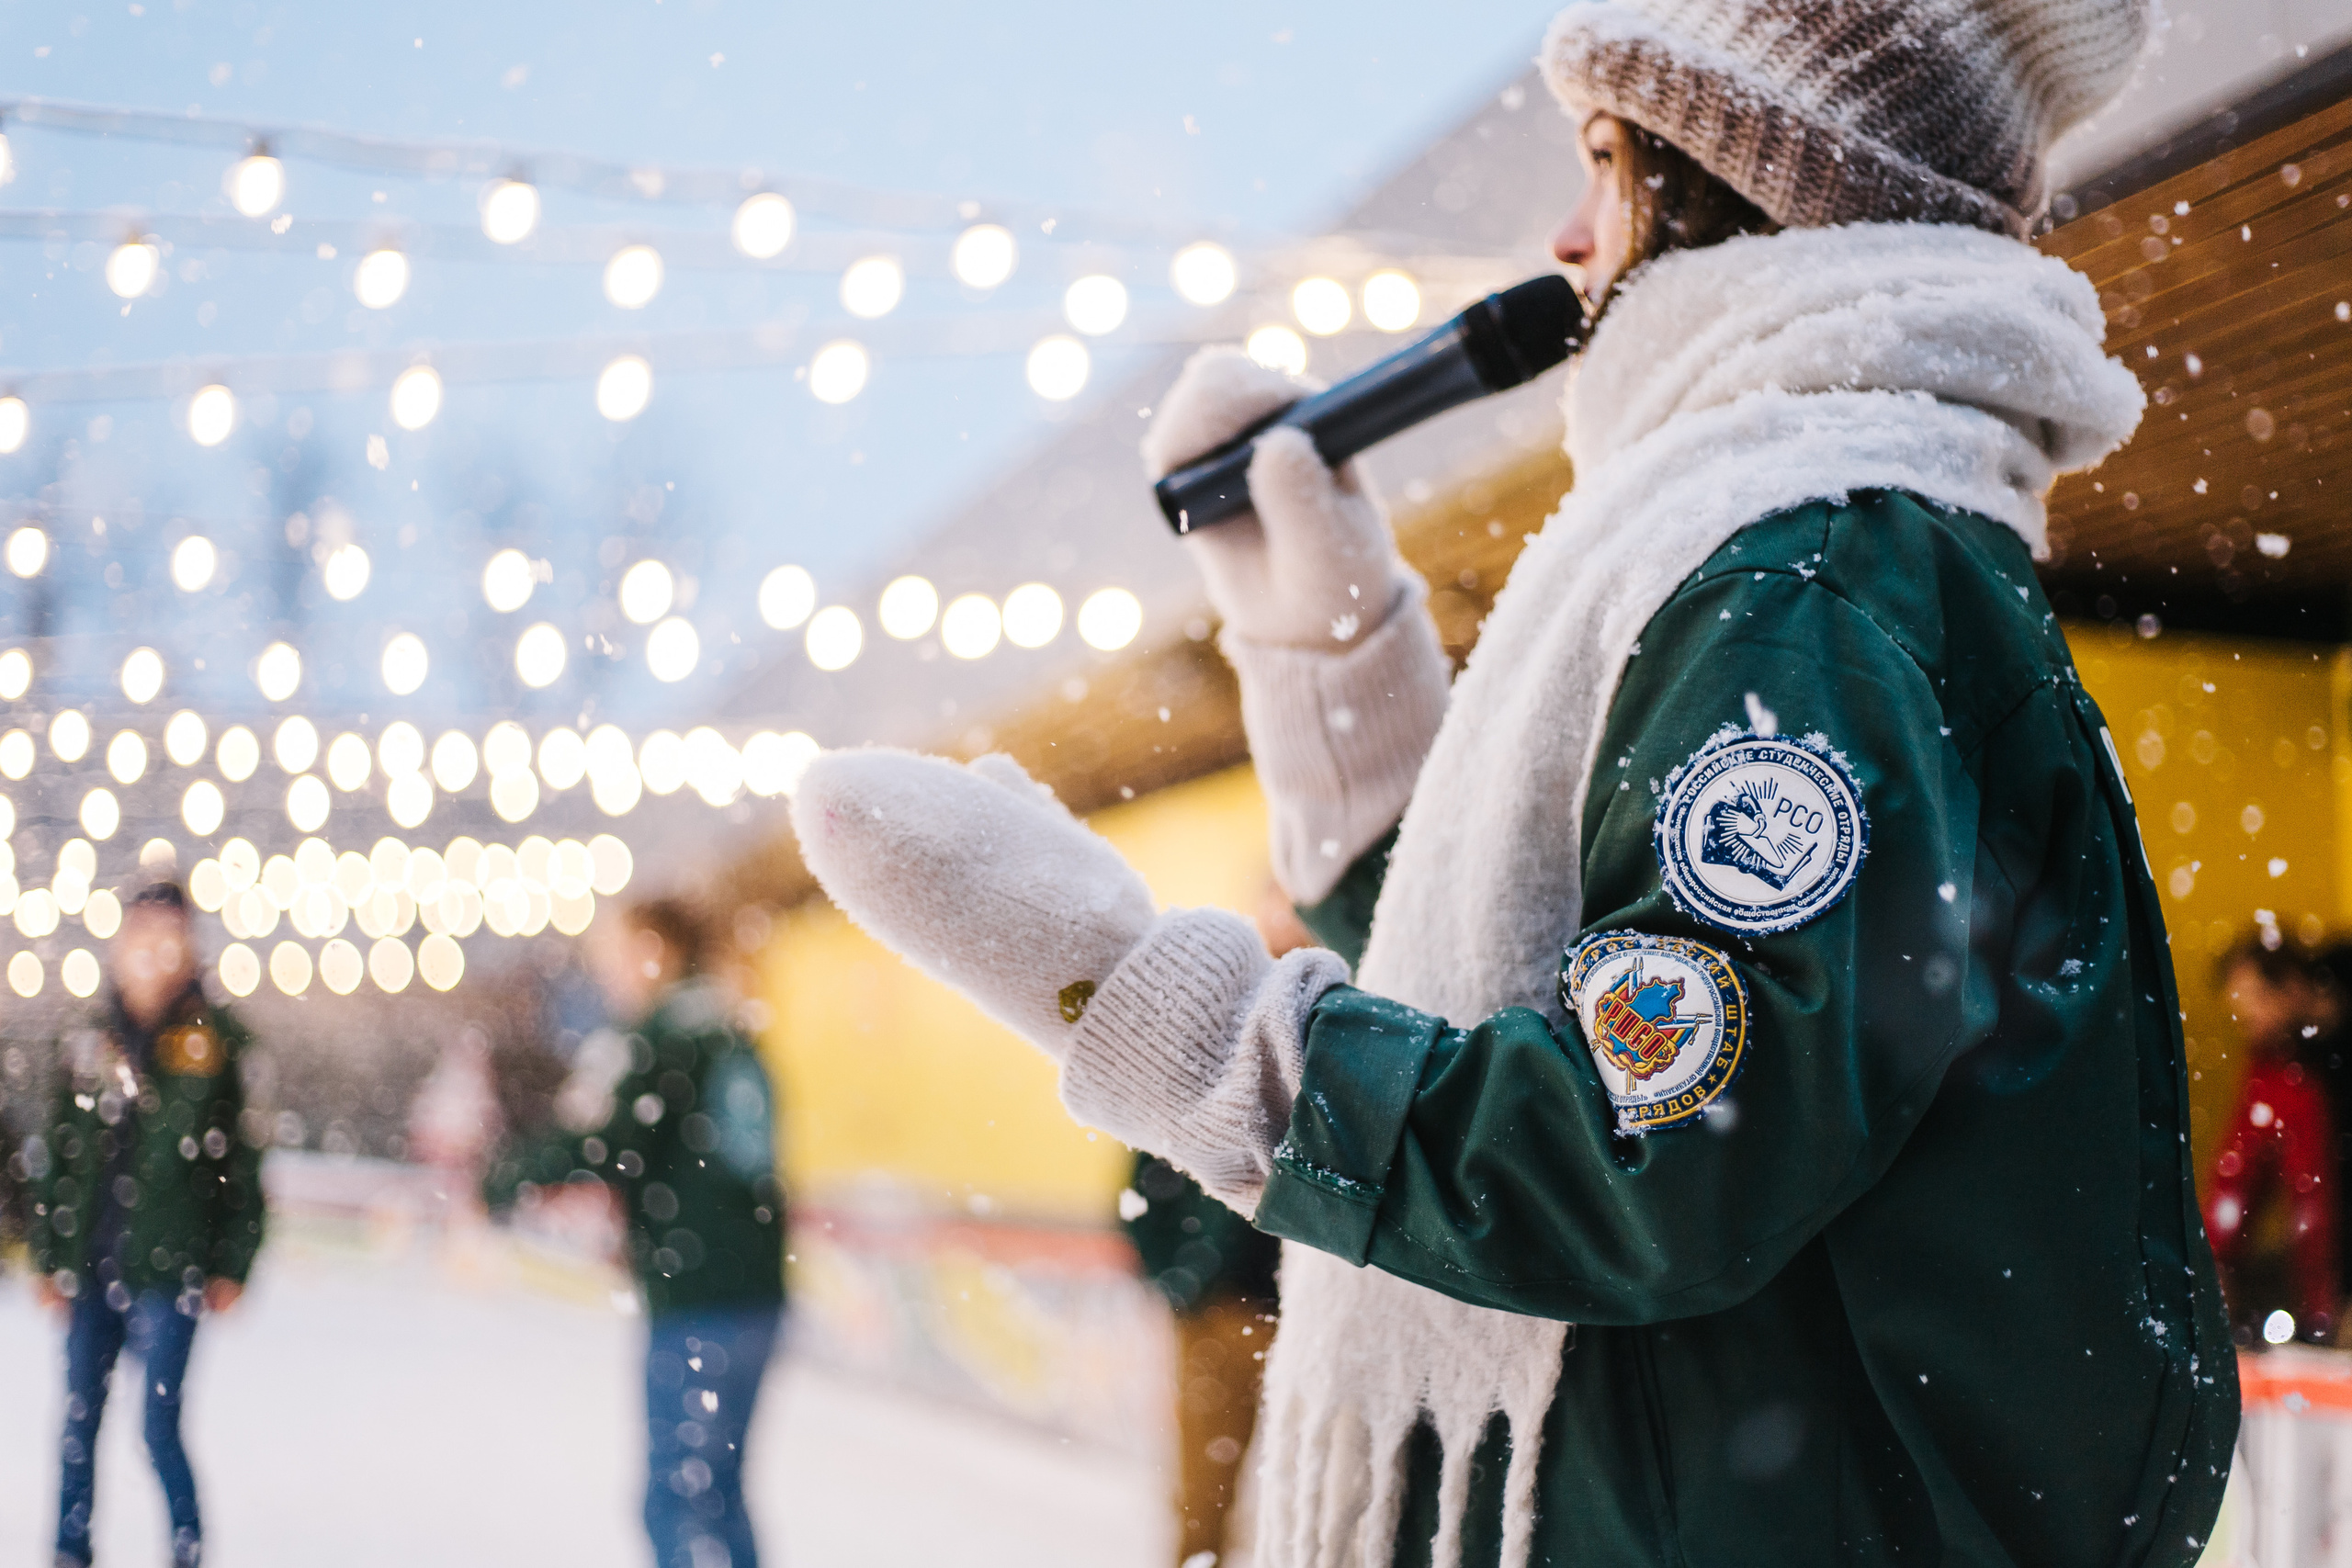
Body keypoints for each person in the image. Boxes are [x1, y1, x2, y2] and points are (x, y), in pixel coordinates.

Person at [788, 0, 2234, 1562]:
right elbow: (1614, 1000)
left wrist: (1168, 1017)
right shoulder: (1812, 550)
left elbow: (1667, 1149)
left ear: (1755, 186)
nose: (1565, 235)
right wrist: (1339, 681)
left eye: (1606, 165)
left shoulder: (1804, 575)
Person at [490, 898, 786, 1568]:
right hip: (752, 1293)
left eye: (612, 954)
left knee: (677, 1499)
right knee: (717, 1496)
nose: (604, 973)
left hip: (701, 1296)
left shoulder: (665, 1037)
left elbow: (605, 1138)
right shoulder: (727, 1024)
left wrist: (501, 1179)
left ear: (654, 948)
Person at [27, 881, 265, 1568]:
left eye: (170, 938)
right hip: (92, 1260)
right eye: (142, 937)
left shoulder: (215, 1042)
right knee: (78, 1421)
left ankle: (186, 1553)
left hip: (170, 1264)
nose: (155, 954)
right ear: (120, 942)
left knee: (158, 1426)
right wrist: (50, 1254)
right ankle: (70, 1550)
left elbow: (244, 1164)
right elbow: (59, 1153)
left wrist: (233, 1259)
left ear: (190, 945)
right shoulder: (89, 1038)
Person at [1125, 881, 1301, 1567]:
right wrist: (1186, 1280)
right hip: (1223, 1312)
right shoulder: (1214, 1019)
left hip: (1317, 1317)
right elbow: (1143, 1169)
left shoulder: (1354, 1007)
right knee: (1205, 1503)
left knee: (1314, 1508)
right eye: (1276, 894)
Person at [2203, 935, 2340, 1343]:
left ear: (2295, 987)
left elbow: (2313, 1207)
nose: (2247, 1019)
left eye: (2256, 1002)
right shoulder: (2272, 1070)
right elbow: (2236, 1182)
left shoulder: (2299, 1079)